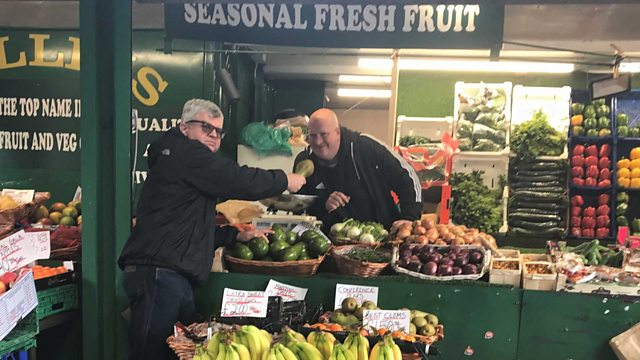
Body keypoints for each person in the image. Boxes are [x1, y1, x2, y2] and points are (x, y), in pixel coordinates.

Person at [118, 99, 306, 360]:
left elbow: (189, 225)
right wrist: (284, 179)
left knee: (181, 353)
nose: (214, 136)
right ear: (184, 128)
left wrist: (234, 235)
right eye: (206, 128)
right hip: (159, 274)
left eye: (218, 131)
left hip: (172, 274)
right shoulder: (185, 153)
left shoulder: (184, 162)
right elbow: (237, 178)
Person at [293, 108, 422, 233]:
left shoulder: (367, 148)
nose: (318, 141)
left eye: (323, 134)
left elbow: (407, 178)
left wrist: (409, 218)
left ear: (337, 132)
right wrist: (324, 205)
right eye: (313, 136)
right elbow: (299, 211)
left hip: (382, 239)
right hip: (328, 246)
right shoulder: (303, 161)